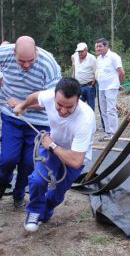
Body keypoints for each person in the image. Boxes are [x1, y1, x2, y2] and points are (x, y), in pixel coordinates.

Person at [10, 77, 96, 232]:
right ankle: (34, 212)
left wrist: (51, 145)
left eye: (69, 107)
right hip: (52, 147)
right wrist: (22, 106)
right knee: (37, 180)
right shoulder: (49, 95)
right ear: (54, 95)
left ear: (78, 99)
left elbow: (76, 161)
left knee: (57, 194)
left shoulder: (86, 119)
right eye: (59, 105)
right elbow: (35, 96)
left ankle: (45, 212)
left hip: (72, 155)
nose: (63, 111)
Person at [0, 36, 61, 209]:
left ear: (36, 52)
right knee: (8, 158)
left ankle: (19, 193)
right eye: (21, 61)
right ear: (13, 53)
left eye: (30, 61)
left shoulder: (49, 65)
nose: (26, 65)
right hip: (11, 116)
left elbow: (53, 102)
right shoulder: (2, 53)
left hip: (37, 122)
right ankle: (3, 180)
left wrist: (24, 106)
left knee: (28, 163)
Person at [94, 38, 125, 141]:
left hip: (111, 87)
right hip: (101, 87)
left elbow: (121, 72)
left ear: (106, 46)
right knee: (103, 110)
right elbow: (98, 73)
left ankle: (114, 133)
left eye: (100, 46)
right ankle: (108, 132)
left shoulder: (114, 57)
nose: (98, 48)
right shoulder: (99, 59)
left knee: (111, 110)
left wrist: (118, 84)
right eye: (97, 46)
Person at [71, 42, 97, 111]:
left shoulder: (92, 58)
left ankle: (91, 121)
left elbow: (96, 73)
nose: (80, 53)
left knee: (90, 108)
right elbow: (72, 58)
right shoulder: (75, 56)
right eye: (79, 51)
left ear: (86, 50)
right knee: (78, 107)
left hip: (89, 86)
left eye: (81, 51)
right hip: (78, 86)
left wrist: (92, 84)